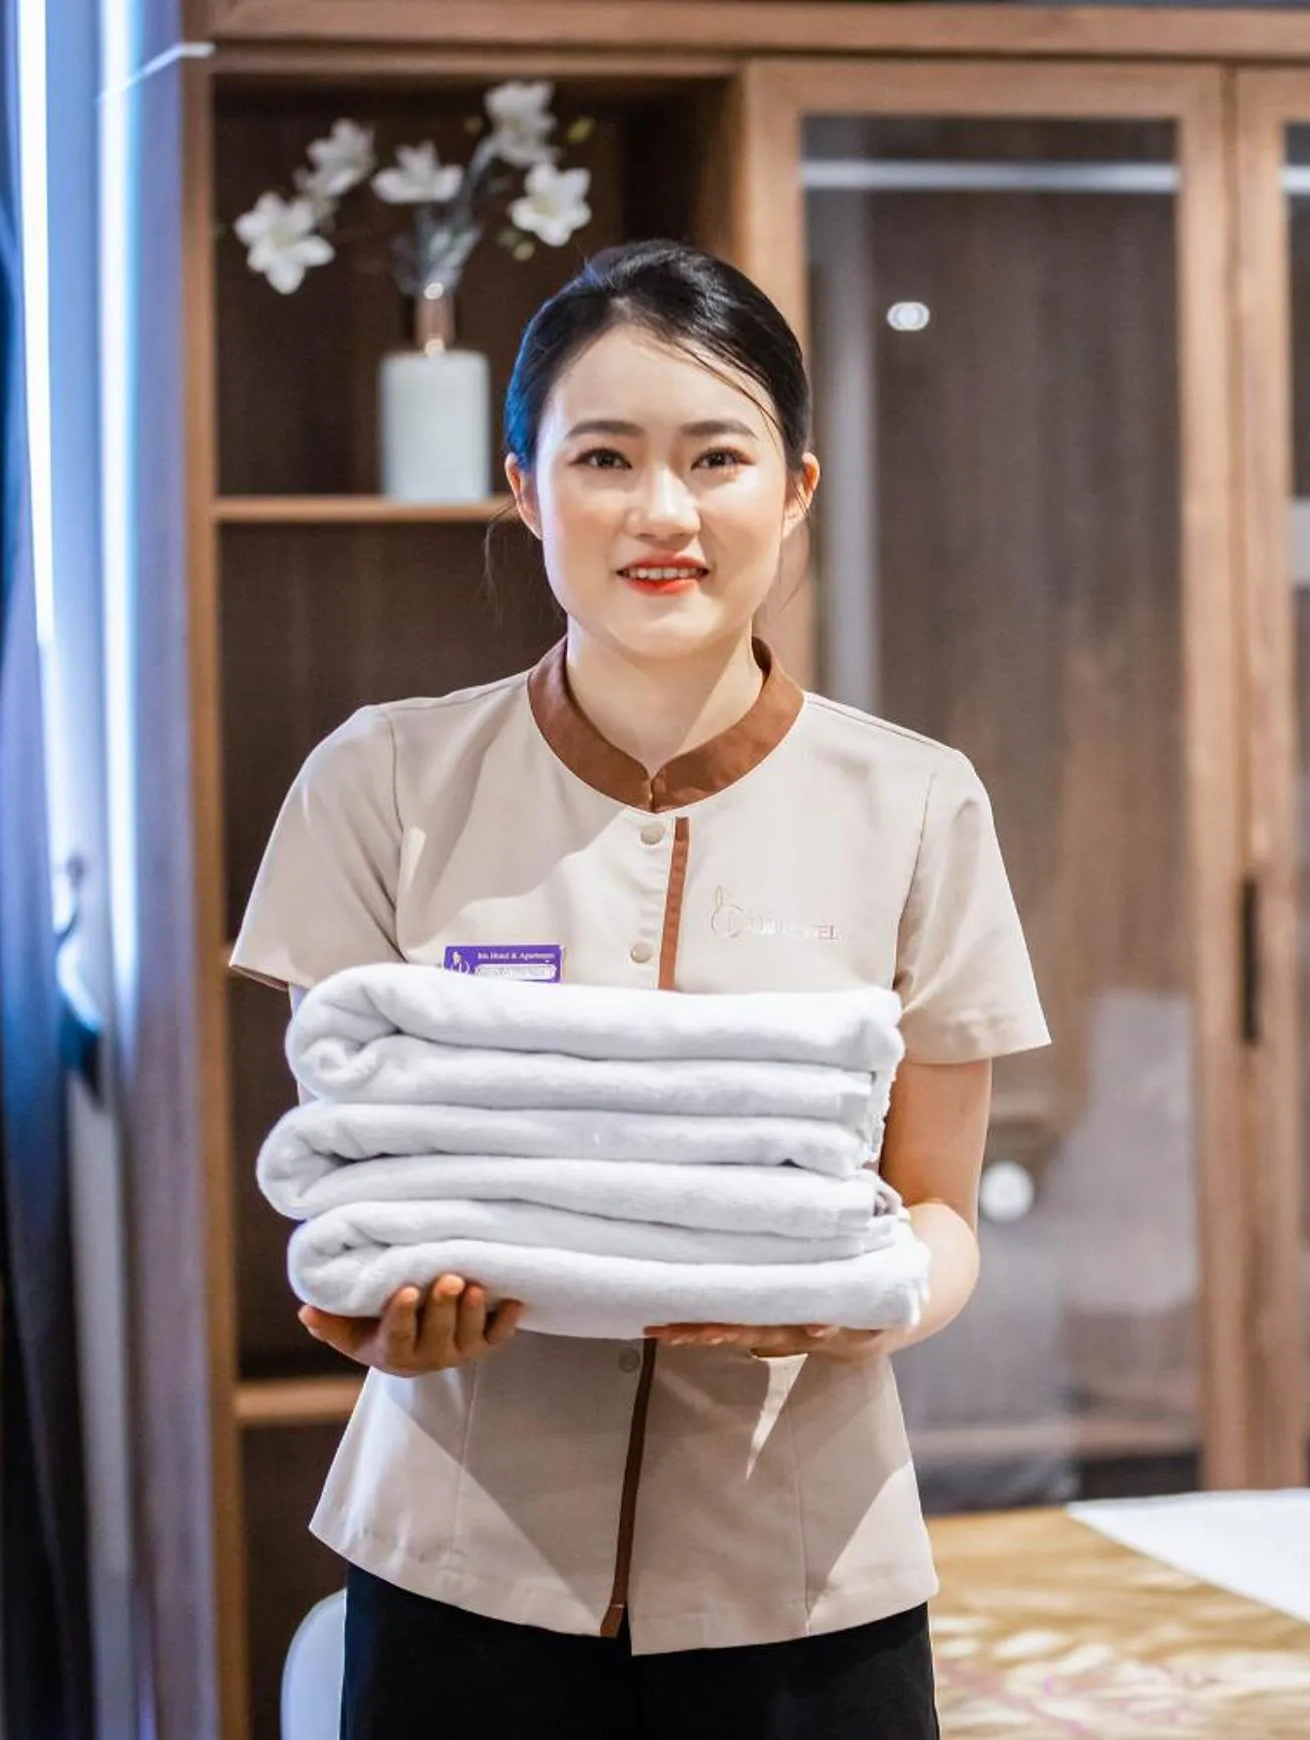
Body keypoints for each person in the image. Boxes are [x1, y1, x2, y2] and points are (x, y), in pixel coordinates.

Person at [229, 237, 1049, 1738]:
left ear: (794, 490)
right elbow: (355, 1182)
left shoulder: (917, 802)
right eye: (603, 457)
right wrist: (377, 1309)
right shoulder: (382, 781)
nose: (662, 512)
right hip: (457, 1562)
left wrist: (844, 1305)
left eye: (715, 456)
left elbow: (936, 1210)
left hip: (804, 1574)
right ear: (526, 488)